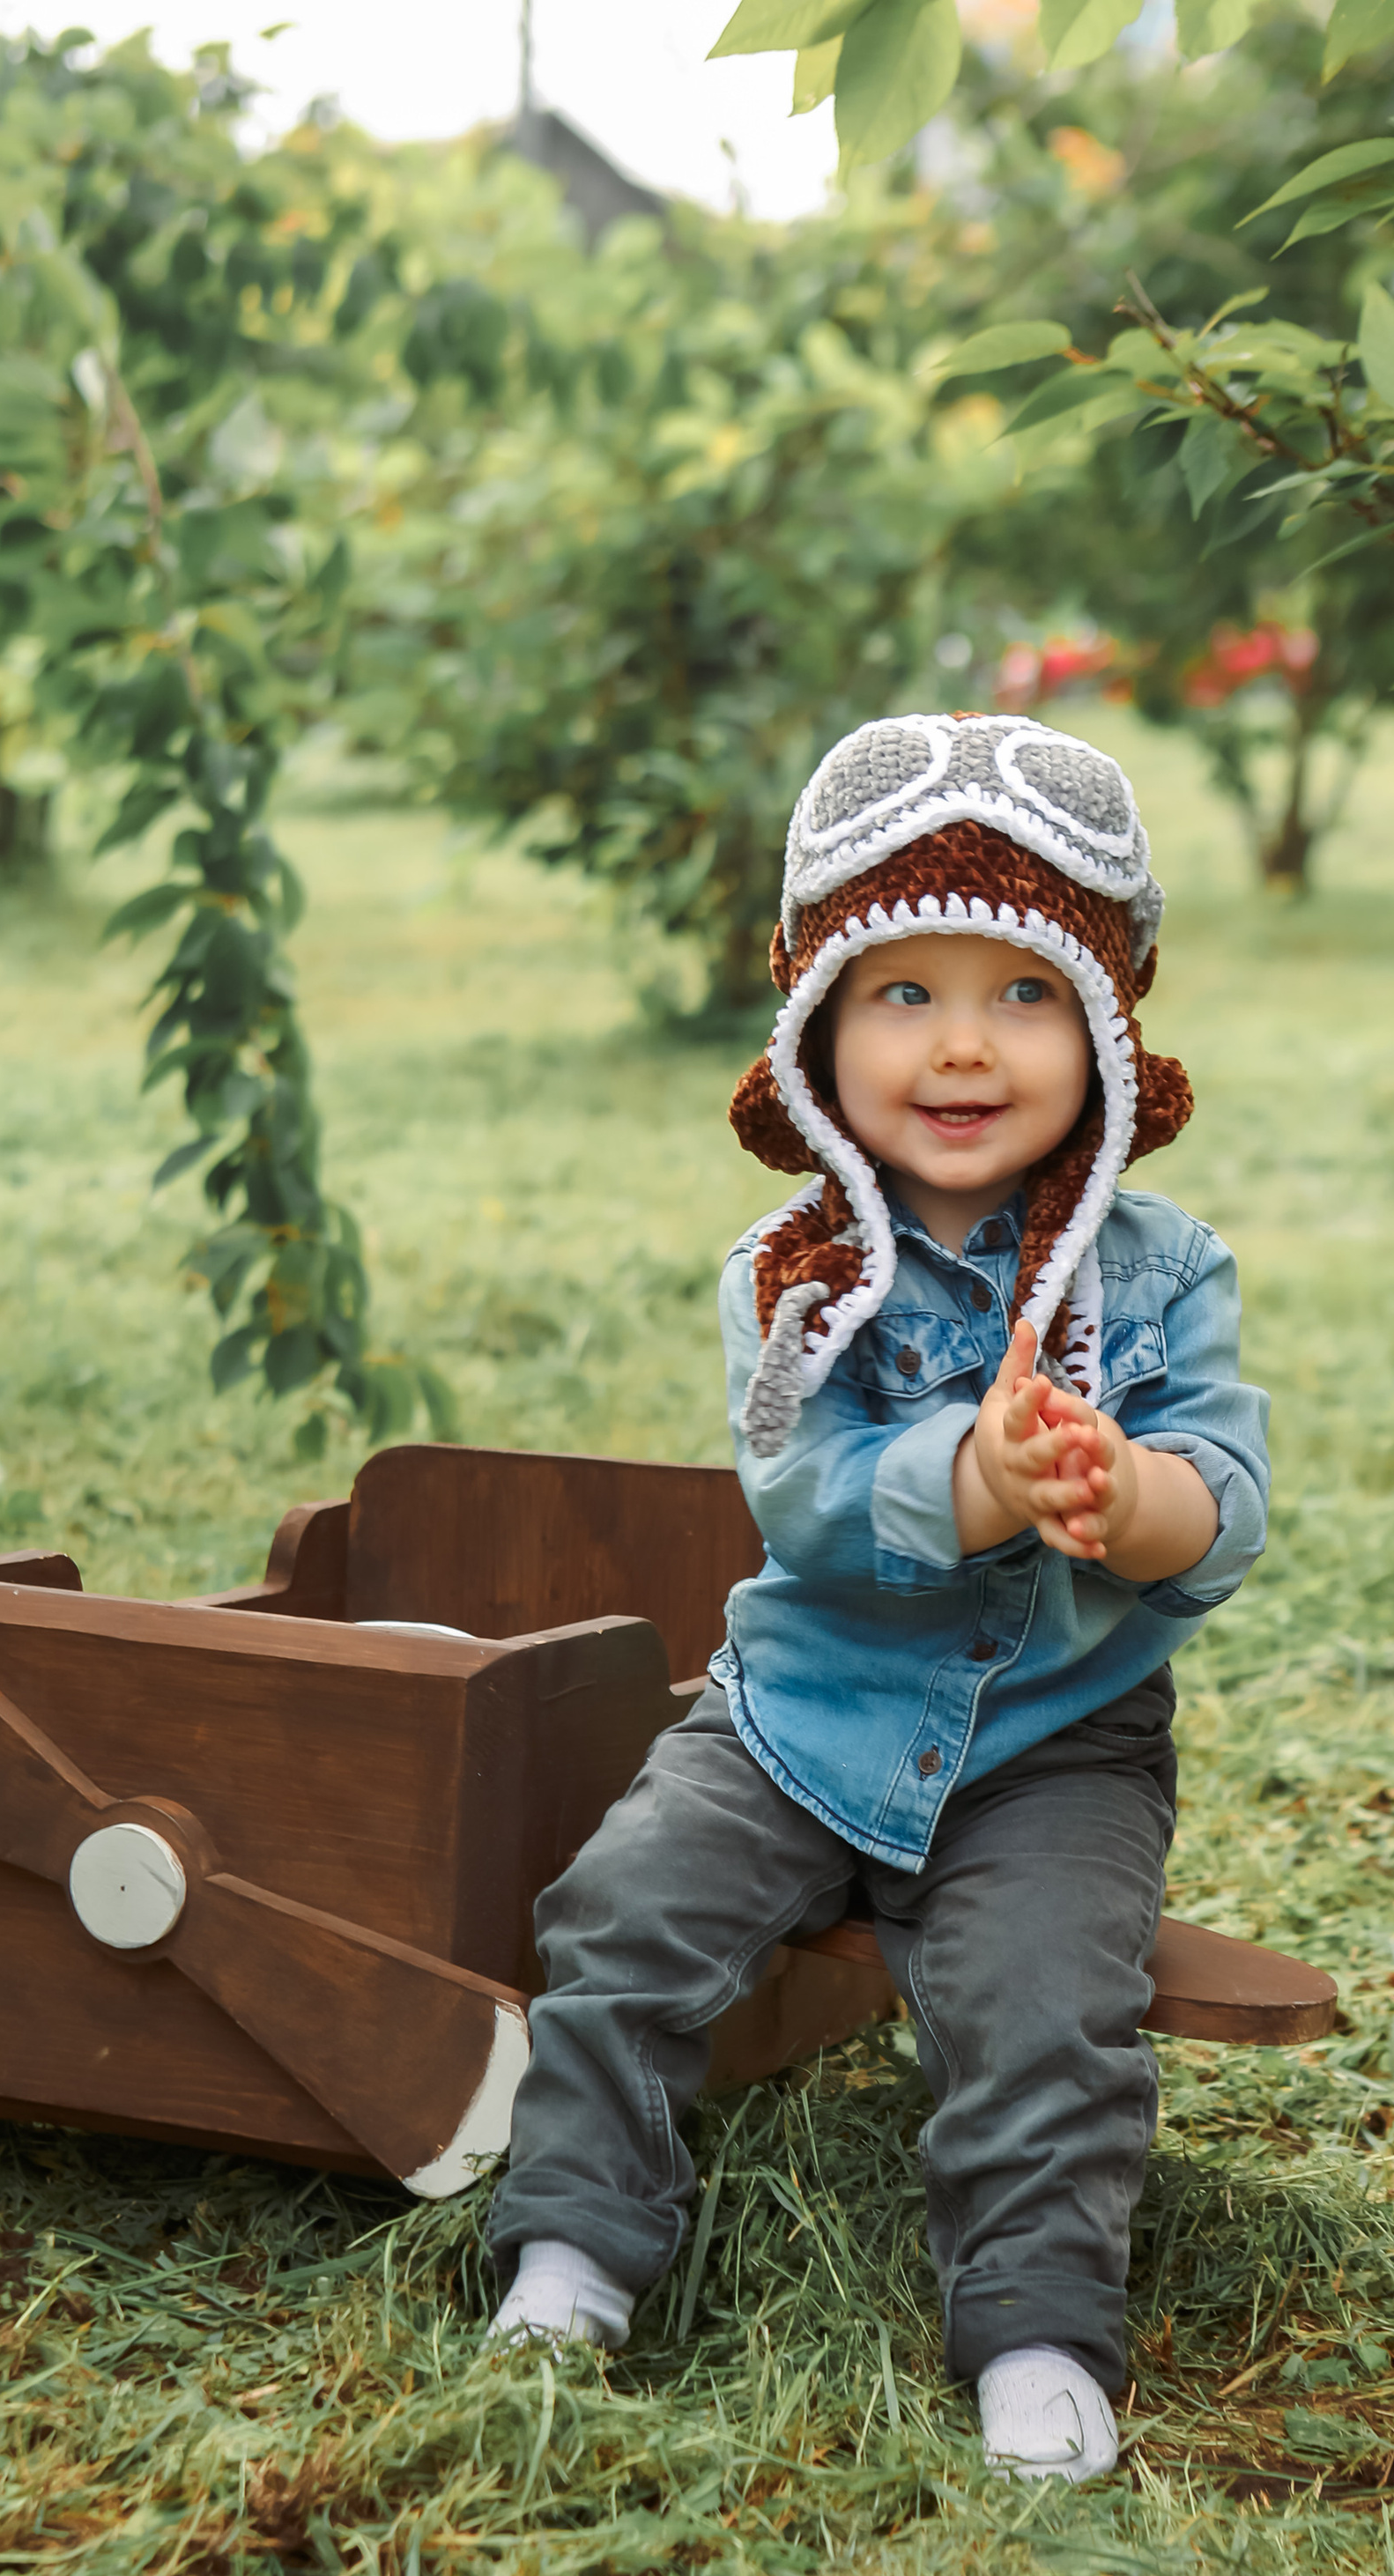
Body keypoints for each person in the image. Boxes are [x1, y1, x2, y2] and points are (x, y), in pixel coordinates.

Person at [484, 712, 1270, 2483]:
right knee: (620, 1921)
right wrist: (971, 1482)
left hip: (1051, 1746)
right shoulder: (790, 1278)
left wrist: (1124, 1496)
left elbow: (1221, 1506)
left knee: (1041, 2004)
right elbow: (803, 1501)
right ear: (813, 1024)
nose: (962, 1046)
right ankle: (576, 2242)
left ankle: (1035, 2327)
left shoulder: (1163, 1279)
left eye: (1024, 992)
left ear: (1109, 1026)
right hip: (793, 1709)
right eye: (898, 993)